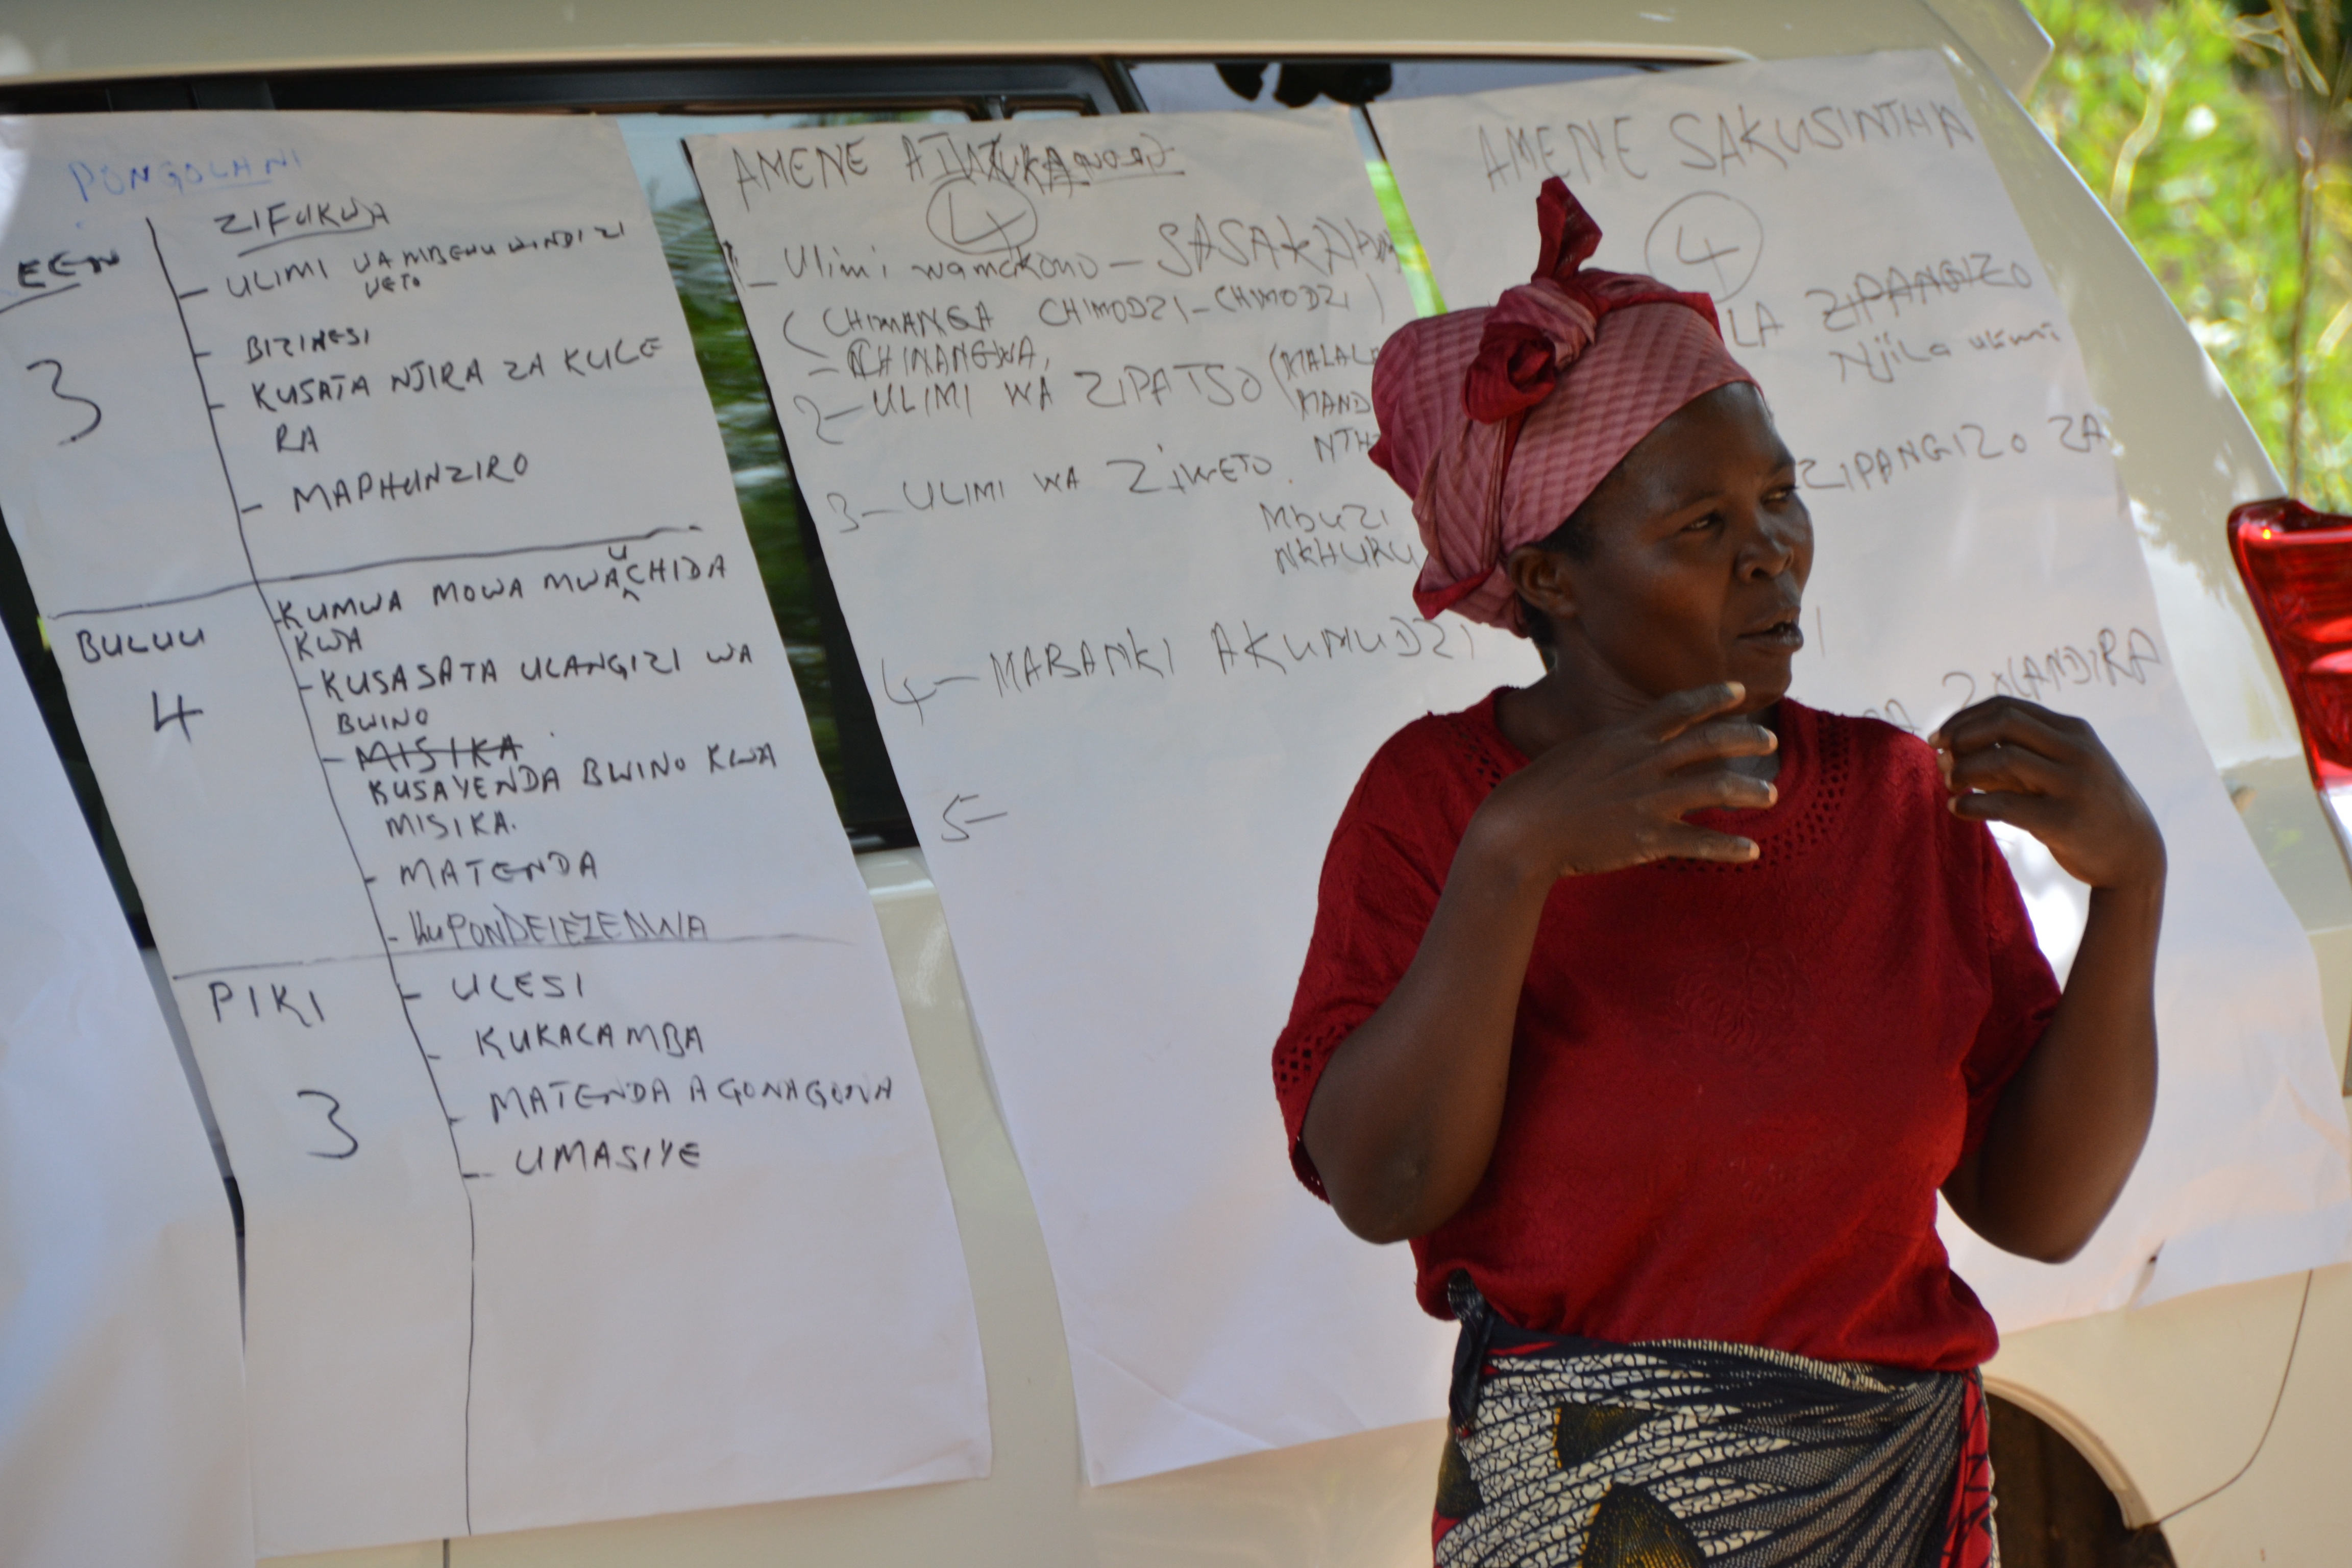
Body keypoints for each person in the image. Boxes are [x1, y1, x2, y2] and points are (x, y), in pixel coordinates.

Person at [1270, 178, 2165, 1568]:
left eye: (1782, 499)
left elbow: (2039, 1212)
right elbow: (1384, 1185)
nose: (1772, 558)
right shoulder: (1439, 809)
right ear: (1553, 580)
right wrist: (1513, 862)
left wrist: (2133, 889)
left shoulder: (1890, 801)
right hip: (1582, 1518)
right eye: (1700, 529)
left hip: (1904, 1510)